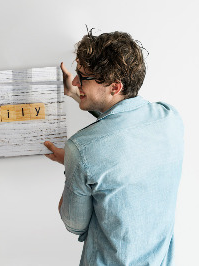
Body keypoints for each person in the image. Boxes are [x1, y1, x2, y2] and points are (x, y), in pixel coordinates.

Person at [44, 30, 184, 265]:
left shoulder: (81, 149)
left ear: (115, 87)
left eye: (83, 77)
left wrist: (72, 163)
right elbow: (124, 125)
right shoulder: (170, 118)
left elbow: (74, 224)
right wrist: (77, 95)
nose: (76, 81)